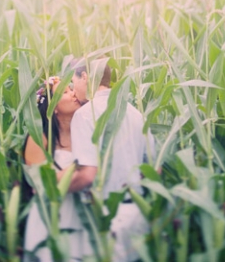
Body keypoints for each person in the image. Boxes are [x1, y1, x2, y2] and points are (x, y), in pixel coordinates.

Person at [64, 59, 154, 262]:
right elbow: (152, 167)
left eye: (73, 81)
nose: (72, 88)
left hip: (107, 218)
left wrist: (52, 188)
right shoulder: (136, 114)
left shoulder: (85, 115)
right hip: (138, 215)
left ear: (85, 77)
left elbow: (87, 175)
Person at [23, 76, 90, 261]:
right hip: (49, 217)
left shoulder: (86, 133)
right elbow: (39, 181)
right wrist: (83, 174)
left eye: (71, 89)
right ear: (53, 108)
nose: (73, 94)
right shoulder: (39, 137)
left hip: (82, 218)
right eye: (66, 92)